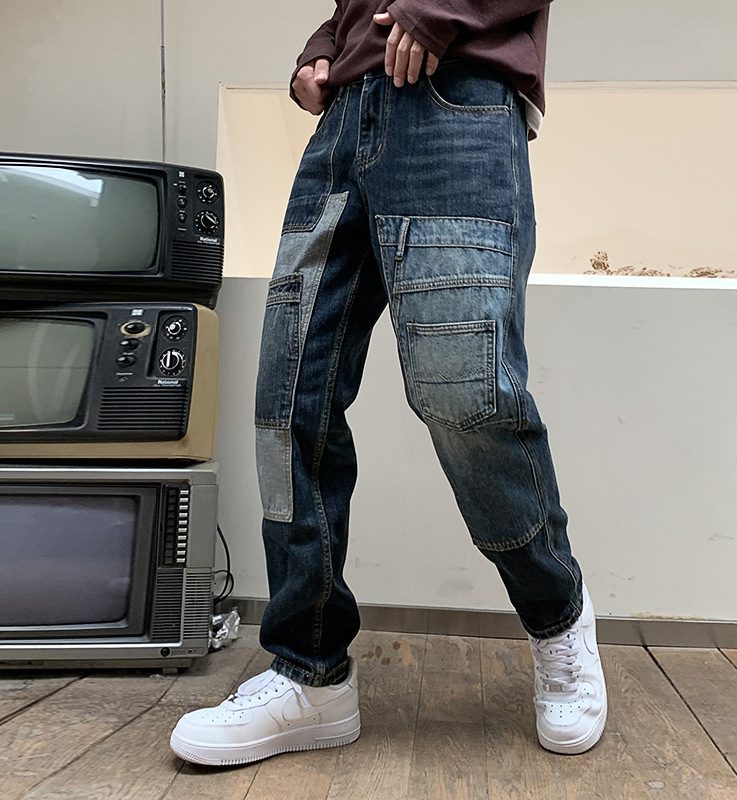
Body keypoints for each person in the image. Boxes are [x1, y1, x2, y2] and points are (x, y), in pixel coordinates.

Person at [170, 0, 607, 766]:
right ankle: (309, 672)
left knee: (464, 396)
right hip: (343, 123)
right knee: (288, 401)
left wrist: (441, 9)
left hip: (455, 106)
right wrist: (322, 48)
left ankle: (558, 611)